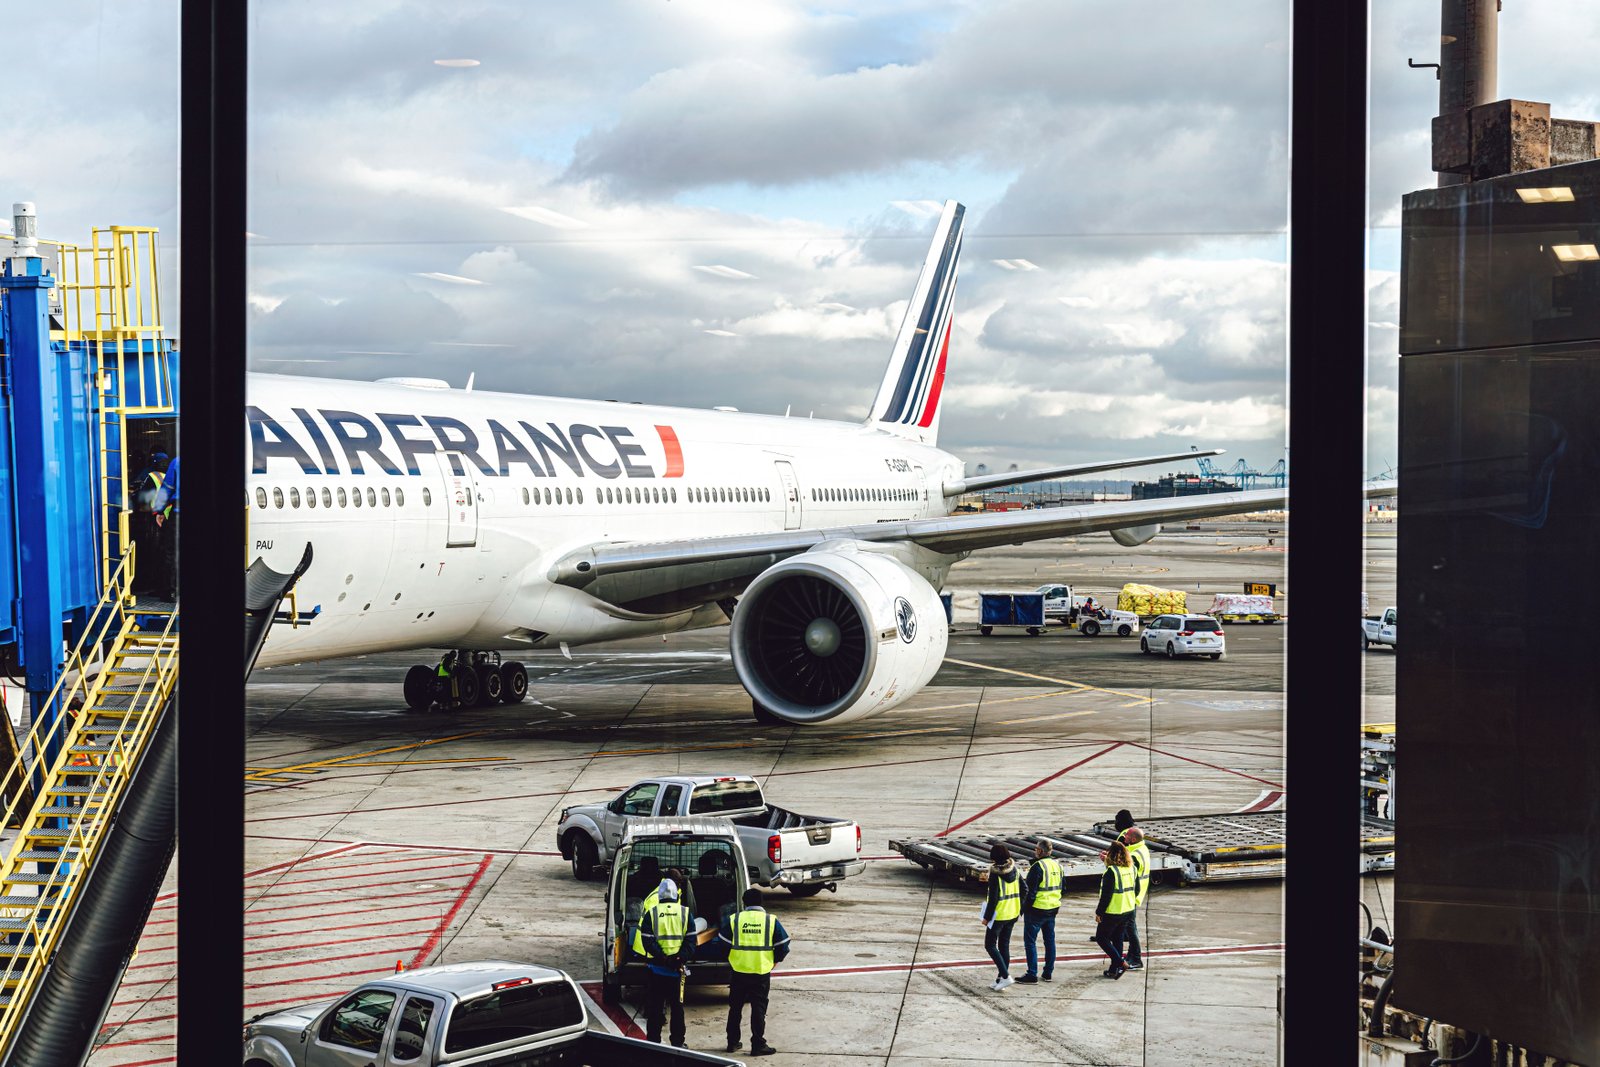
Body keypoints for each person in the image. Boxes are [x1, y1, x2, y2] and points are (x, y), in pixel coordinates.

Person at [719, 887, 790, 1057]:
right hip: (761, 972)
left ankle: (732, 1042)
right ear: (761, 902)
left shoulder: (735, 919)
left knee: (735, 1008)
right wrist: (774, 961)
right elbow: (784, 944)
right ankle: (758, 1045)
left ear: (744, 902)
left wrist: (731, 959)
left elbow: (722, 943)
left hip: (738, 971)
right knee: (758, 1008)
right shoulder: (770, 920)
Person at [638, 878, 692, 1047]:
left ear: (659, 895)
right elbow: (691, 942)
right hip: (677, 971)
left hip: (656, 970)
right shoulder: (685, 913)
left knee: (655, 1008)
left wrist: (663, 958)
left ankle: (653, 1042)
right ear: (676, 895)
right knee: (677, 1008)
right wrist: (678, 958)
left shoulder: (652, 913)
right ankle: (677, 1042)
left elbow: (647, 941)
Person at [1016, 840, 1062, 983]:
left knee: (1030, 942)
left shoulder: (1038, 867)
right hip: (1052, 908)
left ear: (1040, 851)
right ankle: (1048, 972)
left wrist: (1023, 909)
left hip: (1037, 910)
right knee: (1049, 941)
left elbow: (1030, 892)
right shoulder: (1058, 866)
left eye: (1036, 849)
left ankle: (1032, 973)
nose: (1035, 851)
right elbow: (1063, 887)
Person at [980, 843, 1022, 990]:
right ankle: (1000, 979)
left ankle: (1005, 976)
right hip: (1012, 913)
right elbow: (1025, 889)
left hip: (999, 915)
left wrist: (986, 917)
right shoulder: (1015, 870)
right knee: (1004, 946)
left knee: (990, 945)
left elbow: (993, 899)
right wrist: (1020, 908)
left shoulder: (995, 874)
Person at [1093, 842, 1138, 979]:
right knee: (1118, 938)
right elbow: (1136, 890)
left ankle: (1120, 962)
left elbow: (1106, 895)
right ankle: (1114, 969)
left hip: (1113, 911)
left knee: (1102, 938)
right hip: (1128, 909)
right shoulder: (1132, 869)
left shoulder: (1111, 872)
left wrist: (1099, 912)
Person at [1114, 810, 1150, 969]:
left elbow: (1124, 871)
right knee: (1129, 926)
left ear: (1133, 838)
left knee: (1131, 927)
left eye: (1128, 837)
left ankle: (1136, 958)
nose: (1125, 838)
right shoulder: (1141, 848)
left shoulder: (1134, 854)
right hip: (1136, 892)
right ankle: (1131, 955)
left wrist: (1108, 862)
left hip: (1130, 894)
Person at [150, 453, 179, 600]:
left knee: (172, 553)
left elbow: (166, 489)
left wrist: (159, 511)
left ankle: (171, 592)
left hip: (179, 513)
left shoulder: (177, 462)